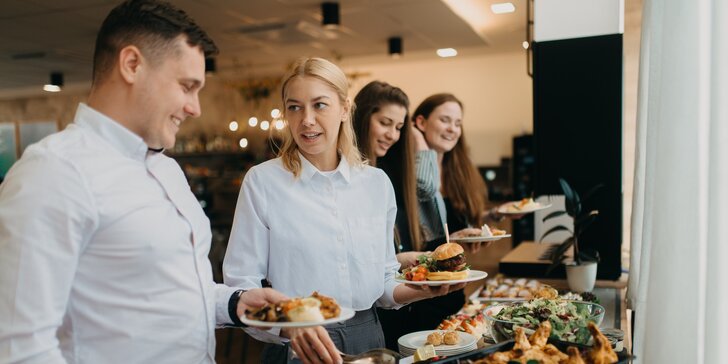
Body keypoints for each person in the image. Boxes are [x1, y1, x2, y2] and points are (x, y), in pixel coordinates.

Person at [0, 1, 287, 363]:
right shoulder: (53, 173)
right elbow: (20, 348)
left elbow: (167, 294)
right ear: (132, 64)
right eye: (186, 86)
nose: (195, 107)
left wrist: (234, 303)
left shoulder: (168, 170)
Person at [223, 58, 464, 364]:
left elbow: (384, 282)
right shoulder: (262, 182)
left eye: (319, 105)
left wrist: (427, 290)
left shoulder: (375, 184)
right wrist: (288, 329)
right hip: (300, 345)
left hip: (370, 336)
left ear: (344, 109)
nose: (306, 120)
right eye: (294, 107)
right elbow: (242, 287)